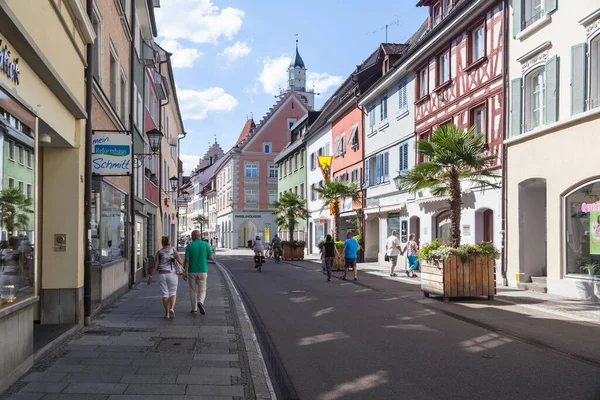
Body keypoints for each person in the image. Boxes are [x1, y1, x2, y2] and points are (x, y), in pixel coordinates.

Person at [148, 236, 184, 319]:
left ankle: (167, 313)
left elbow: (155, 266)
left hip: (162, 274)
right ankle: (172, 308)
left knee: (165, 294)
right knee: (173, 292)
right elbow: (181, 262)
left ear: (162, 243)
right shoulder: (173, 250)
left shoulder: (159, 252)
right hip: (172, 274)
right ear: (169, 242)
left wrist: (150, 277)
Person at [185, 230, 214, 314]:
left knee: (192, 290)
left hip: (192, 271)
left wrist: (184, 271)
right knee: (202, 289)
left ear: (193, 236)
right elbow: (211, 257)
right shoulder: (206, 244)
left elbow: (187, 260)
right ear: (199, 236)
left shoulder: (189, 246)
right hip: (203, 270)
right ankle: (200, 302)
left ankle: (194, 309)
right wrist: (204, 256)